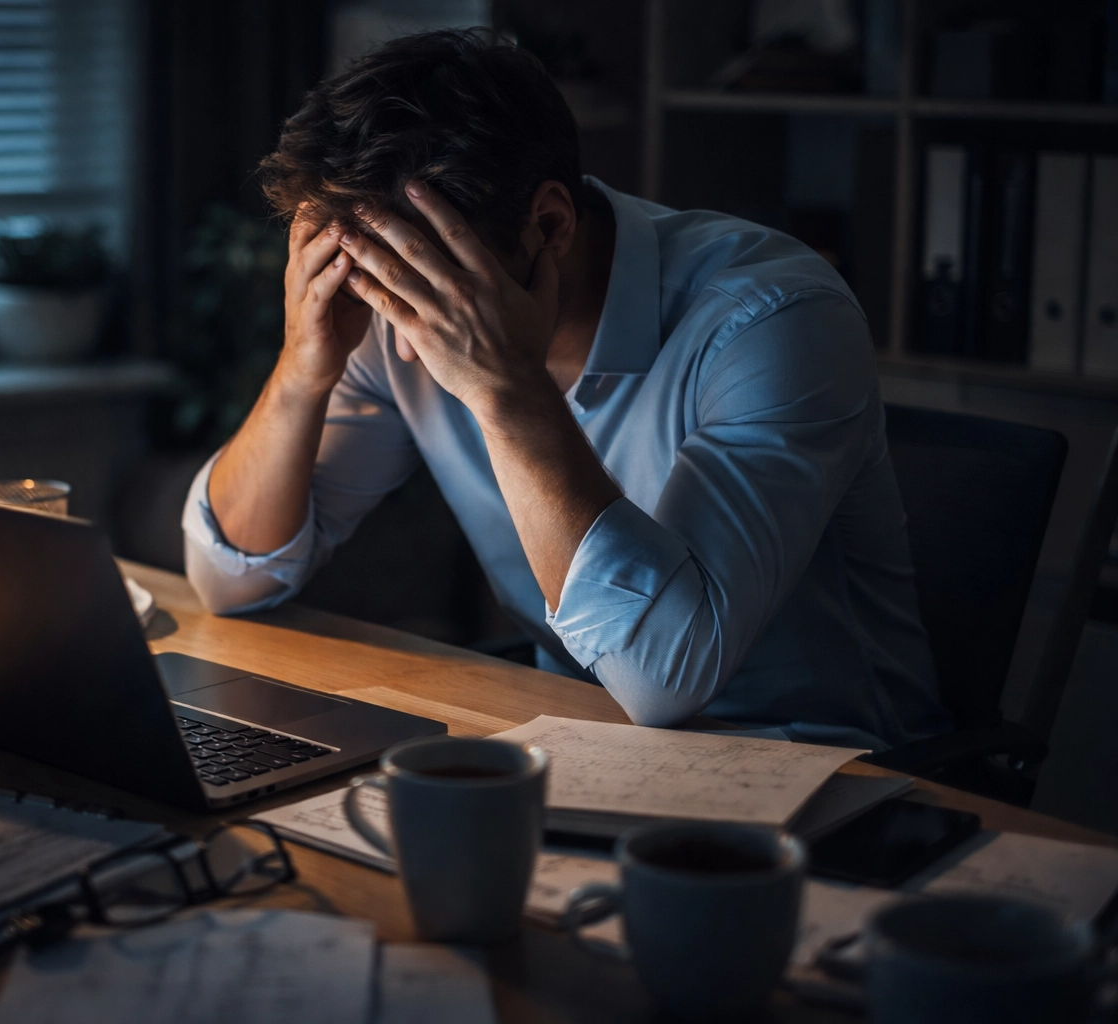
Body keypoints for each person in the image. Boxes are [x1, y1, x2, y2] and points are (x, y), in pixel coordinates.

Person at [181, 29, 950, 750]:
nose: (395, 318)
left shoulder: (774, 319)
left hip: (835, 769)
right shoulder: (387, 314)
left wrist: (506, 391)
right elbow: (231, 580)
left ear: (549, 224)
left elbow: (661, 678)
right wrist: (303, 368)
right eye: (369, 270)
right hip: (577, 738)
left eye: (423, 274)